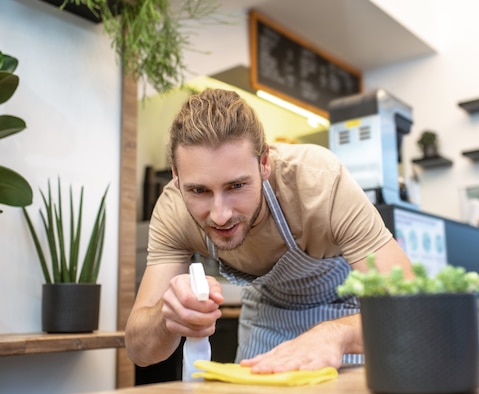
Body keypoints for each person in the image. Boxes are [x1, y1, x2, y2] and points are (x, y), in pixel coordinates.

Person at [125, 88, 413, 374]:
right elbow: (140, 351)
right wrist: (168, 316)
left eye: (236, 186)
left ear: (264, 163)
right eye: (199, 190)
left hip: (349, 317)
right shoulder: (173, 211)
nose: (220, 215)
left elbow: (410, 313)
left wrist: (336, 335)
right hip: (267, 316)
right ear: (176, 175)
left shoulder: (320, 182)